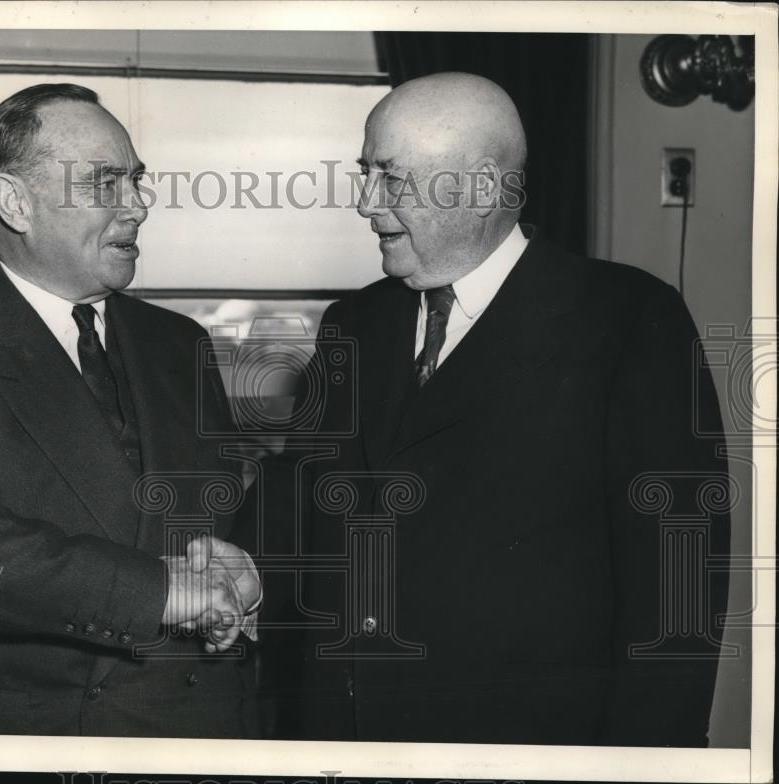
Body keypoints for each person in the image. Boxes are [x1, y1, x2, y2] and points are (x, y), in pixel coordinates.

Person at [276, 72, 730, 746]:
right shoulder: (354, 322)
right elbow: (299, 505)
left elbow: (677, 588)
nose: (365, 204)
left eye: (391, 179)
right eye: (363, 172)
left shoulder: (629, 319)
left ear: (485, 189)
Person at [0, 83, 260, 737]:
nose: (139, 207)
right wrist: (163, 592)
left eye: (137, 181)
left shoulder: (180, 343)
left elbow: (223, 518)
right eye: (107, 184)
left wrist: (246, 578)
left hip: (201, 724)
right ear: (15, 202)